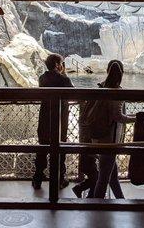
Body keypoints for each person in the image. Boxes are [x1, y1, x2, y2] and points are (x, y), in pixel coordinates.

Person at [87, 60, 136, 199]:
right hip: (110, 140)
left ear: (107, 71)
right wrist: (137, 119)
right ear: (122, 74)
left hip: (97, 136)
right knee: (103, 178)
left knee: (111, 175)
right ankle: (98, 206)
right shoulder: (117, 92)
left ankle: (121, 200)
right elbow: (118, 116)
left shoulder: (100, 87)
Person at [32, 53, 72, 190]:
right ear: (57, 65)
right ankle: (60, 178)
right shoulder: (63, 80)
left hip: (44, 118)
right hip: (60, 120)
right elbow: (74, 92)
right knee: (60, 148)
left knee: (42, 146)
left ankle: (37, 177)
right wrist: (64, 74)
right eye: (61, 63)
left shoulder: (42, 78)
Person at [71, 100, 99, 198]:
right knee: (96, 177)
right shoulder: (91, 128)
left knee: (95, 177)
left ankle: (87, 193)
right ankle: (81, 190)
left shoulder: (85, 123)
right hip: (88, 158)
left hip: (86, 158)